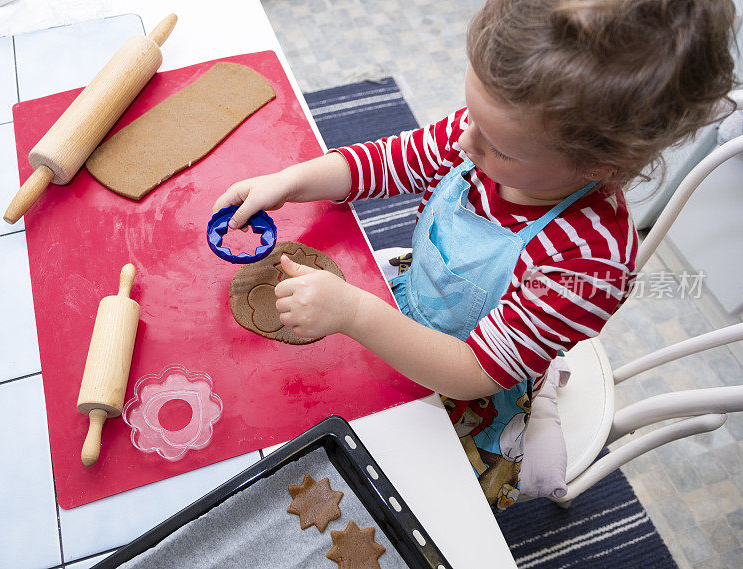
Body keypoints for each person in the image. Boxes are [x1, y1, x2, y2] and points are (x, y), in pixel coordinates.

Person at [212, 0, 738, 509]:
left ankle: (540, 388)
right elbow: (385, 162)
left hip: (466, 385)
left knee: (380, 488)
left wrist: (352, 312)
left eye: (500, 147)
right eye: (471, 116)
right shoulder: (489, 134)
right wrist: (290, 181)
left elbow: (471, 371)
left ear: (600, 164)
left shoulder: (591, 263)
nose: (464, 143)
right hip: (406, 304)